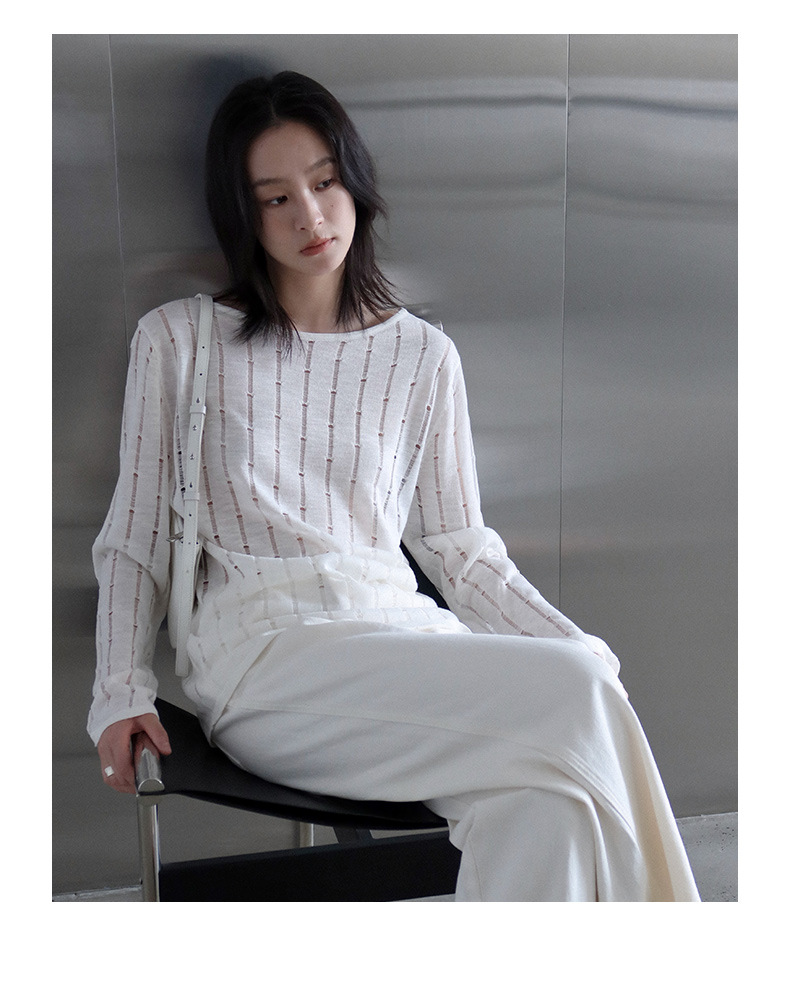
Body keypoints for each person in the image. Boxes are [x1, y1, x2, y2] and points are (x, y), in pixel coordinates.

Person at [89, 71, 700, 901]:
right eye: (275, 199)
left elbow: (461, 551)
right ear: (242, 215)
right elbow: (133, 539)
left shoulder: (422, 356)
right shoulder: (180, 342)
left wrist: (579, 648)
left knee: (546, 803)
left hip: (409, 639)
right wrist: (119, 691)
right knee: (581, 692)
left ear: (355, 182)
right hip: (265, 664)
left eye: (324, 183)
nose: (309, 216)